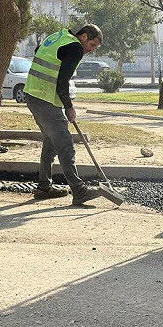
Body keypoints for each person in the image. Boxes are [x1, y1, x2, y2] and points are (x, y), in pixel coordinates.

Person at [23, 24, 104, 205]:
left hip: (32, 94)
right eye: (92, 45)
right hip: (45, 99)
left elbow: (39, 50)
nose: (91, 50)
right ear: (83, 37)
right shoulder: (75, 48)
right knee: (65, 144)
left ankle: (44, 187)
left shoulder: (59, 36)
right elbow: (62, 81)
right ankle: (79, 190)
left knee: (51, 142)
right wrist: (68, 107)